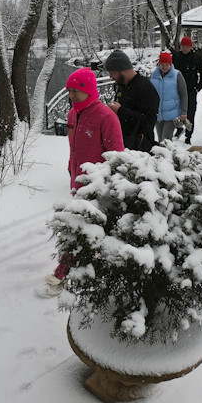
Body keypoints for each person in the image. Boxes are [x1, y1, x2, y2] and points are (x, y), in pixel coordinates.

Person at [44, 67, 125, 297]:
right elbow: (74, 146)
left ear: (88, 90)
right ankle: (88, 265)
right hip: (76, 181)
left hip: (97, 186)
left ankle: (63, 271)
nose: (71, 96)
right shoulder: (72, 115)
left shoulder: (106, 117)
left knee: (80, 229)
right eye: (68, 91)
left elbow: (116, 157)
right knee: (85, 229)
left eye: (75, 91)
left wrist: (107, 184)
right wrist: (71, 167)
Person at [103, 50, 159, 152]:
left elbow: (148, 122)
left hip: (140, 150)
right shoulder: (122, 86)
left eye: (112, 72)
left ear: (123, 70)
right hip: (123, 145)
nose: (110, 76)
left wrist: (120, 111)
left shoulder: (146, 88)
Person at [172, 36, 202, 145]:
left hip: (191, 89)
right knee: (177, 111)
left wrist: (198, 88)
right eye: (183, 47)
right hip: (177, 89)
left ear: (190, 47)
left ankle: (188, 135)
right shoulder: (176, 56)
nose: (184, 49)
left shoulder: (196, 58)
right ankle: (178, 128)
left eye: (186, 47)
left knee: (190, 113)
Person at [149, 52, 188, 142]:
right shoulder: (154, 76)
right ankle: (164, 155)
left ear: (171, 64)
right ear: (159, 64)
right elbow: (150, 93)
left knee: (166, 139)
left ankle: (167, 155)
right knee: (160, 140)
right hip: (158, 114)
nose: (164, 67)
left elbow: (183, 94)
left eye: (167, 65)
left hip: (172, 113)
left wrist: (183, 111)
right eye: (162, 65)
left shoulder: (177, 75)